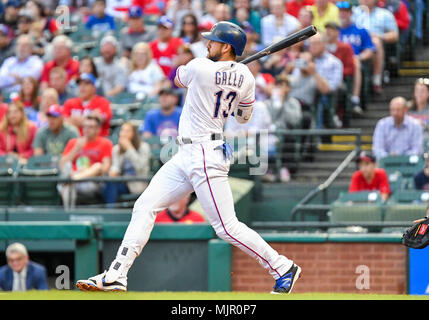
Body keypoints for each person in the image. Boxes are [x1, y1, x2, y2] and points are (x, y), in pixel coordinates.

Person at [76, 21, 301, 294]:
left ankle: (282, 267)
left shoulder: (199, 66)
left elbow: (176, 78)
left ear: (226, 46)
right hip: (186, 153)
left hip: (206, 154)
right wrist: (234, 79)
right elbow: (243, 117)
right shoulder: (248, 77)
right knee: (145, 205)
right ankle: (117, 274)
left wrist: (220, 78)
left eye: (213, 41)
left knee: (226, 228)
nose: (208, 44)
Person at [59, 114, 113, 209]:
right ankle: (68, 212)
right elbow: (62, 165)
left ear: (98, 129)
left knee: (97, 166)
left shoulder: (105, 143)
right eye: (85, 127)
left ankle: (74, 179)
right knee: (67, 172)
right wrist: (76, 148)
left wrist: (85, 172)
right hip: (73, 176)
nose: (87, 129)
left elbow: (105, 168)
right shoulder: (74, 142)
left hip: (91, 180)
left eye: (91, 127)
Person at [337, 0, 375, 114]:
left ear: (351, 14)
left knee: (355, 62)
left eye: (346, 12)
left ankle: (355, 99)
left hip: (353, 61)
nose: (343, 14)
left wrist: (359, 57)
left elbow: (370, 49)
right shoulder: (335, 30)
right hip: (337, 61)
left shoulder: (360, 30)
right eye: (341, 12)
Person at [352, 0, 399, 94]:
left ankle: (376, 80)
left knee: (375, 42)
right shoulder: (352, 12)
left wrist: (379, 36)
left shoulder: (384, 14)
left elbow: (394, 35)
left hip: (372, 46)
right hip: (354, 44)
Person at [102, 122, 150, 205]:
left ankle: (110, 210)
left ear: (134, 134)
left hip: (137, 183)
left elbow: (140, 167)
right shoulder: (117, 149)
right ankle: (110, 211)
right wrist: (113, 172)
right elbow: (116, 167)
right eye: (122, 130)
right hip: (123, 182)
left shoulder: (144, 147)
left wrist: (129, 148)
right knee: (109, 184)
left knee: (111, 187)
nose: (124, 133)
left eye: (128, 131)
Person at [63, 73, 112, 137]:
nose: (82, 86)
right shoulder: (69, 103)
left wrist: (73, 120)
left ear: (94, 87)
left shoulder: (103, 102)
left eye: (86, 83)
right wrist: (91, 117)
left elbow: (99, 121)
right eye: (80, 84)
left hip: (96, 143)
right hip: (74, 142)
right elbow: (63, 123)